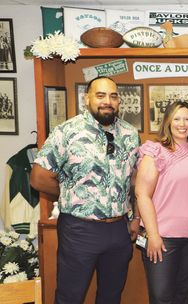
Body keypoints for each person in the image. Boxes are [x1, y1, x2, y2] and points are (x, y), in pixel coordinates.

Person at [30, 76, 140, 304]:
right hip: (80, 229)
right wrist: (74, 192)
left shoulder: (130, 134)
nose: (107, 101)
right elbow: (39, 178)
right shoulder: (67, 131)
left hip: (119, 229)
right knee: (70, 296)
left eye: (113, 96)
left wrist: (135, 217)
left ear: (119, 101)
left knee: (111, 296)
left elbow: (133, 180)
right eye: (100, 95)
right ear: (86, 98)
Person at [136, 101, 188, 304]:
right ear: (168, 122)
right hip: (163, 238)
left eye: (187, 119)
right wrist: (152, 235)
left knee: (184, 293)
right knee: (162, 297)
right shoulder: (155, 152)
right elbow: (142, 195)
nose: (182, 124)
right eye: (177, 118)